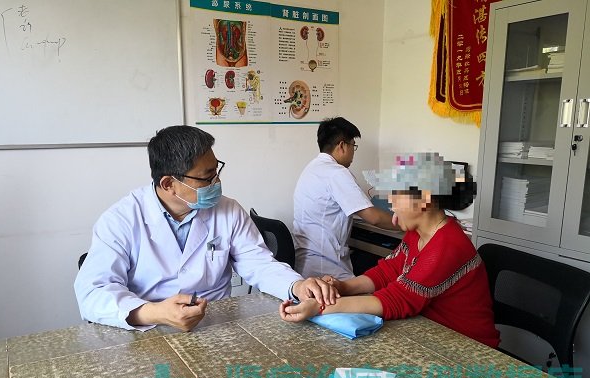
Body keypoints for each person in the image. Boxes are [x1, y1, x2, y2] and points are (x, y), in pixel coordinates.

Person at [75, 125, 337, 332]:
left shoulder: (228, 210)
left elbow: (259, 264)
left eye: (216, 171)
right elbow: (92, 292)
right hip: (149, 329)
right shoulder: (121, 219)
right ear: (168, 184)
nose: (217, 182)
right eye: (206, 177)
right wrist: (153, 312)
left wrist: (296, 285)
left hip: (217, 325)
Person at [280, 152, 500, 348]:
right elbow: (388, 271)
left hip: (467, 346)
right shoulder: (418, 232)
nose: (391, 203)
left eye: (397, 195)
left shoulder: (447, 246)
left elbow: (396, 300)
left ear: (423, 200)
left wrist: (319, 307)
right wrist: (342, 287)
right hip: (430, 333)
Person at [293, 117, 396, 281]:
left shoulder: (312, 168)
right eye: (353, 146)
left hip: (306, 263)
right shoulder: (336, 173)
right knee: (384, 284)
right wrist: (408, 222)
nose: (353, 152)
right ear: (342, 146)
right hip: (326, 269)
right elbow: (374, 218)